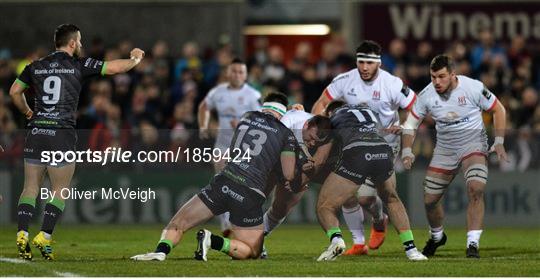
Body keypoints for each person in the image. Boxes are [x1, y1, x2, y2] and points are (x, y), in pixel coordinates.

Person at [9, 23, 144, 260]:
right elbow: (113, 68)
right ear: (72, 43)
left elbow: (14, 92)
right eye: (79, 41)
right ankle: (44, 236)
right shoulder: (78, 65)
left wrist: (29, 113)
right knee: (60, 189)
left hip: (37, 131)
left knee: (30, 188)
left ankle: (22, 233)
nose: (81, 44)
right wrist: (134, 59)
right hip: (61, 133)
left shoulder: (35, 66)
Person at [131, 92, 297, 261]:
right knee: (253, 251)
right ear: (284, 113)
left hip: (224, 181)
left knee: (178, 223)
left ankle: (160, 252)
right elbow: (288, 173)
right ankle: (213, 241)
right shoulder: (286, 134)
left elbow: (260, 123)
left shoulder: (247, 117)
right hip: (249, 193)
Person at [311, 40, 417, 255]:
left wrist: (405, 126)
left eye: (369, 62)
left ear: (379, 63)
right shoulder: (344, 80)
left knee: (373, 196)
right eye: (361, 62)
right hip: (354, 147)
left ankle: (380, 221)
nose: (364, 67)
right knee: (357, 197)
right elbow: (321, 103)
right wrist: (322, 125)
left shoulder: (392, 84)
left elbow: (417, 108)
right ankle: (364, 238)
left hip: (385, 145)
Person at [401, 54, 508, 258]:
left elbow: (498, 109)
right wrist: (406, 151)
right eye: (433, 77)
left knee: (476, 187)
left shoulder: (473, 87)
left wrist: (499, 141)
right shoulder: (426, 95)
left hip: (473, 141)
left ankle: (472, 244)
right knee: (430, 199)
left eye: (441, 76)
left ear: (453, 74)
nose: (437, 82)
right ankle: (437, 237)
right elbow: (410, 125)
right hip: (445, 148)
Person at [315, 102, 427, 261]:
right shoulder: (369, 111)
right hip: (382, 149)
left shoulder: (333, 118)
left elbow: (322, 155)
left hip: (358, 151)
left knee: (325, 206)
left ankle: (336, 240)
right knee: (392, 199)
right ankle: (412, 250)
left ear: (330, 111)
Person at [198, 58, 261, 237]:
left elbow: (260, 120)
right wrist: (204, 126)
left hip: (245, 148)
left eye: (241, 72)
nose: (237, 75)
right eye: (234, 71)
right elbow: (204, 107)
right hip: (223, 145)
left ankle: (240, 223)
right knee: (220, 183)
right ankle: (226, 223)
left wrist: (243, 123)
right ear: (228, 73)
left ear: (246, 75)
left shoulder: (253, 95)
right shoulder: (218, 92)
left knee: (241, 187)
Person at [261, 109, 331, 258]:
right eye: (311, 138)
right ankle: (250, 239)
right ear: (306, 126)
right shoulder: (289, 123)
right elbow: (272, 151)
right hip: (273, 159)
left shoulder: (321, 133)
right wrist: (290, 175)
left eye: (316, 142)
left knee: (282, 208)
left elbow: (318, 161)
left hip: (295, 163)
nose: (312, 143)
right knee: (257, 197)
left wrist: (301, 177)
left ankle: (259, 237)